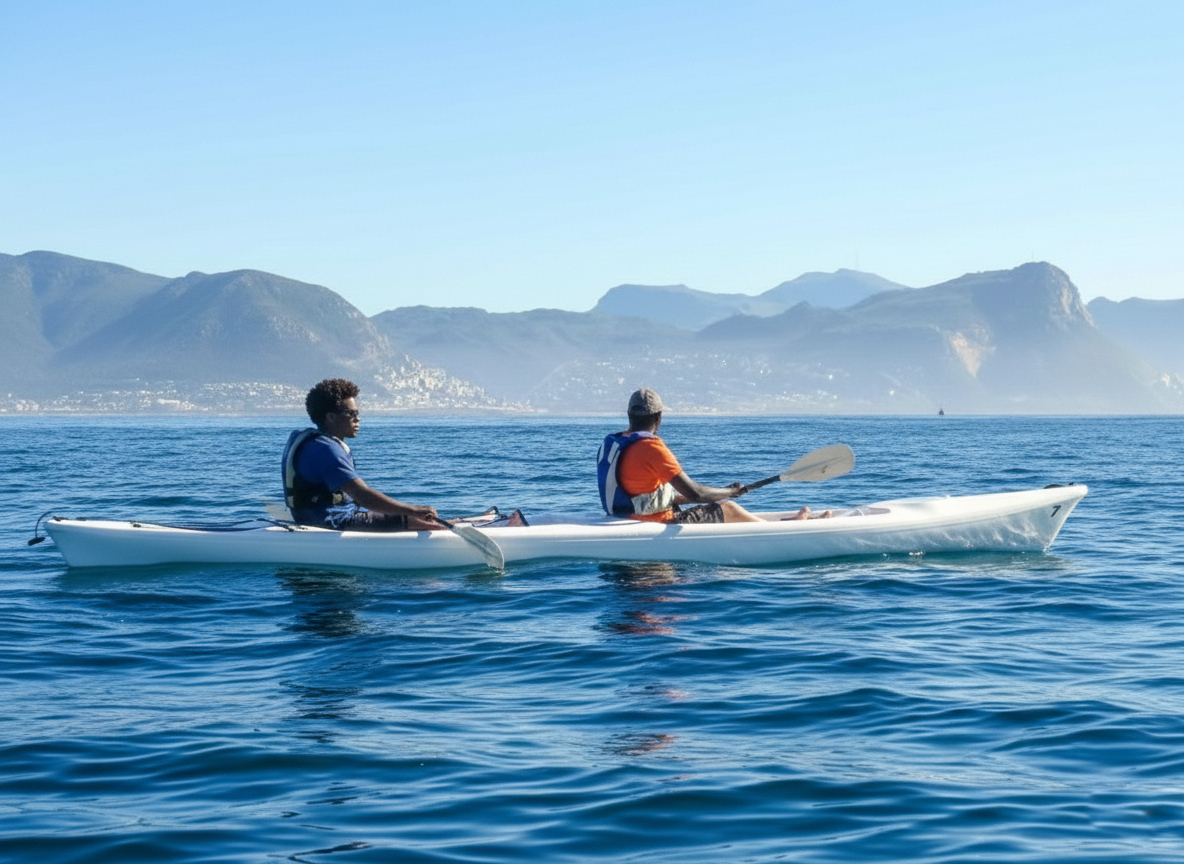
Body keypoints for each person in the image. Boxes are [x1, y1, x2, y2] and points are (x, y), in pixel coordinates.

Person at [281, 378, 444, 531]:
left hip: (313, 518)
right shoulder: (326, 449)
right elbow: (364, 497)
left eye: (358, 414)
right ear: (331, 417)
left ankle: (461, 523)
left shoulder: (308, 440)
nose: (357, 419)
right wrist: (414, 510)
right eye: (350, 414)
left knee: (414, 518)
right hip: (330, 522)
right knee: (418, 521)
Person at [597, 388, 769, 524]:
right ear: (659, 417)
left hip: (625, 519)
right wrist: (730, 493)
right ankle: (772, 530)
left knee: (724, 507)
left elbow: (657, 498)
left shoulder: (612, 444)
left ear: (629, 415)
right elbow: (695, 493)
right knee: (729, 509)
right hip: (659, 523)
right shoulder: (651, 447)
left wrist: (723, 492)